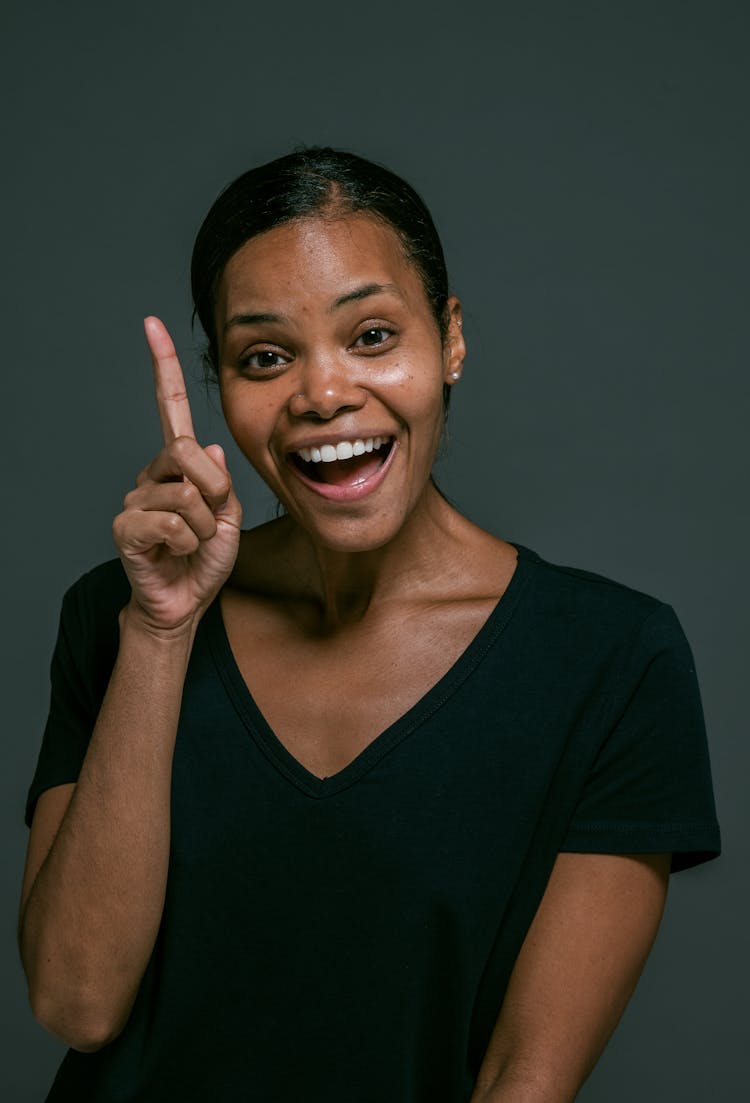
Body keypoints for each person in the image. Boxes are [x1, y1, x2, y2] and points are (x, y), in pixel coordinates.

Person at [19, 147, 720, 1103]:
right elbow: (75, 1001)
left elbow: (527, 1078)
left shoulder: (611, 661)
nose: (322, 394)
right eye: (265, 356)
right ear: (219, 383)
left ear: (452, 339)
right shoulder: (119, 614)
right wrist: (160, 630)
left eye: (373, 335)